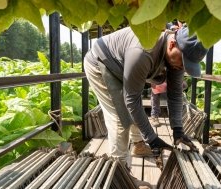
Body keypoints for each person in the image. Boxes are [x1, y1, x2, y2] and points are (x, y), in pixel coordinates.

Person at [84, 25, 208, 188]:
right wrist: (152, 138)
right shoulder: (143, 51)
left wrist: (178, 129)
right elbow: (131, 101)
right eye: (184, 62)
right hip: (101, 63)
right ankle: (120, 174)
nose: (183, 67)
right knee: (120, 119)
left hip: (123, 66)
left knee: (134, 111)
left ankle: (138, 145)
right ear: (171, 45)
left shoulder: (177, 58)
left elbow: (175, 93)